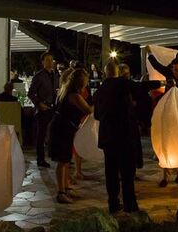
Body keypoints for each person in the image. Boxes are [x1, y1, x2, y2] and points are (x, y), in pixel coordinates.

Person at [94, 62, 160, 213]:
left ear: (105, 73)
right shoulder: (122, 84)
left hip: (107, 137)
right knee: (127, 172)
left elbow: (97, 115)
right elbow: (141, 87)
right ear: (117, 73)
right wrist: (160, 83)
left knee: (110, 172)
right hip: (123, 135)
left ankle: (113, 203)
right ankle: (130, 204)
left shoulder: (99, 91)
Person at [48, 68, 92, 204]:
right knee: (62, 160)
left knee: (66, 159)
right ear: (81, 82)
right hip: (63, 129)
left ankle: (66, 188)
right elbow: (88, 109)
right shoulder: (74, 96)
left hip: (62, 127)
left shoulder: (65, 91)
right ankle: (61, 192)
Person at [28, 52, 59, 168]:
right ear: (43, 62)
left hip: (53, 107)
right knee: (41, 134)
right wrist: (39, 104)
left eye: (51, 60)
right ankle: (40, 159)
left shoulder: (55, 75)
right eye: (47, 60)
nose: (50, 62)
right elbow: (31, 93)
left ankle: (53, 154)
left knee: (53, 132)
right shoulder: (39, 76)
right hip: (43, 108)